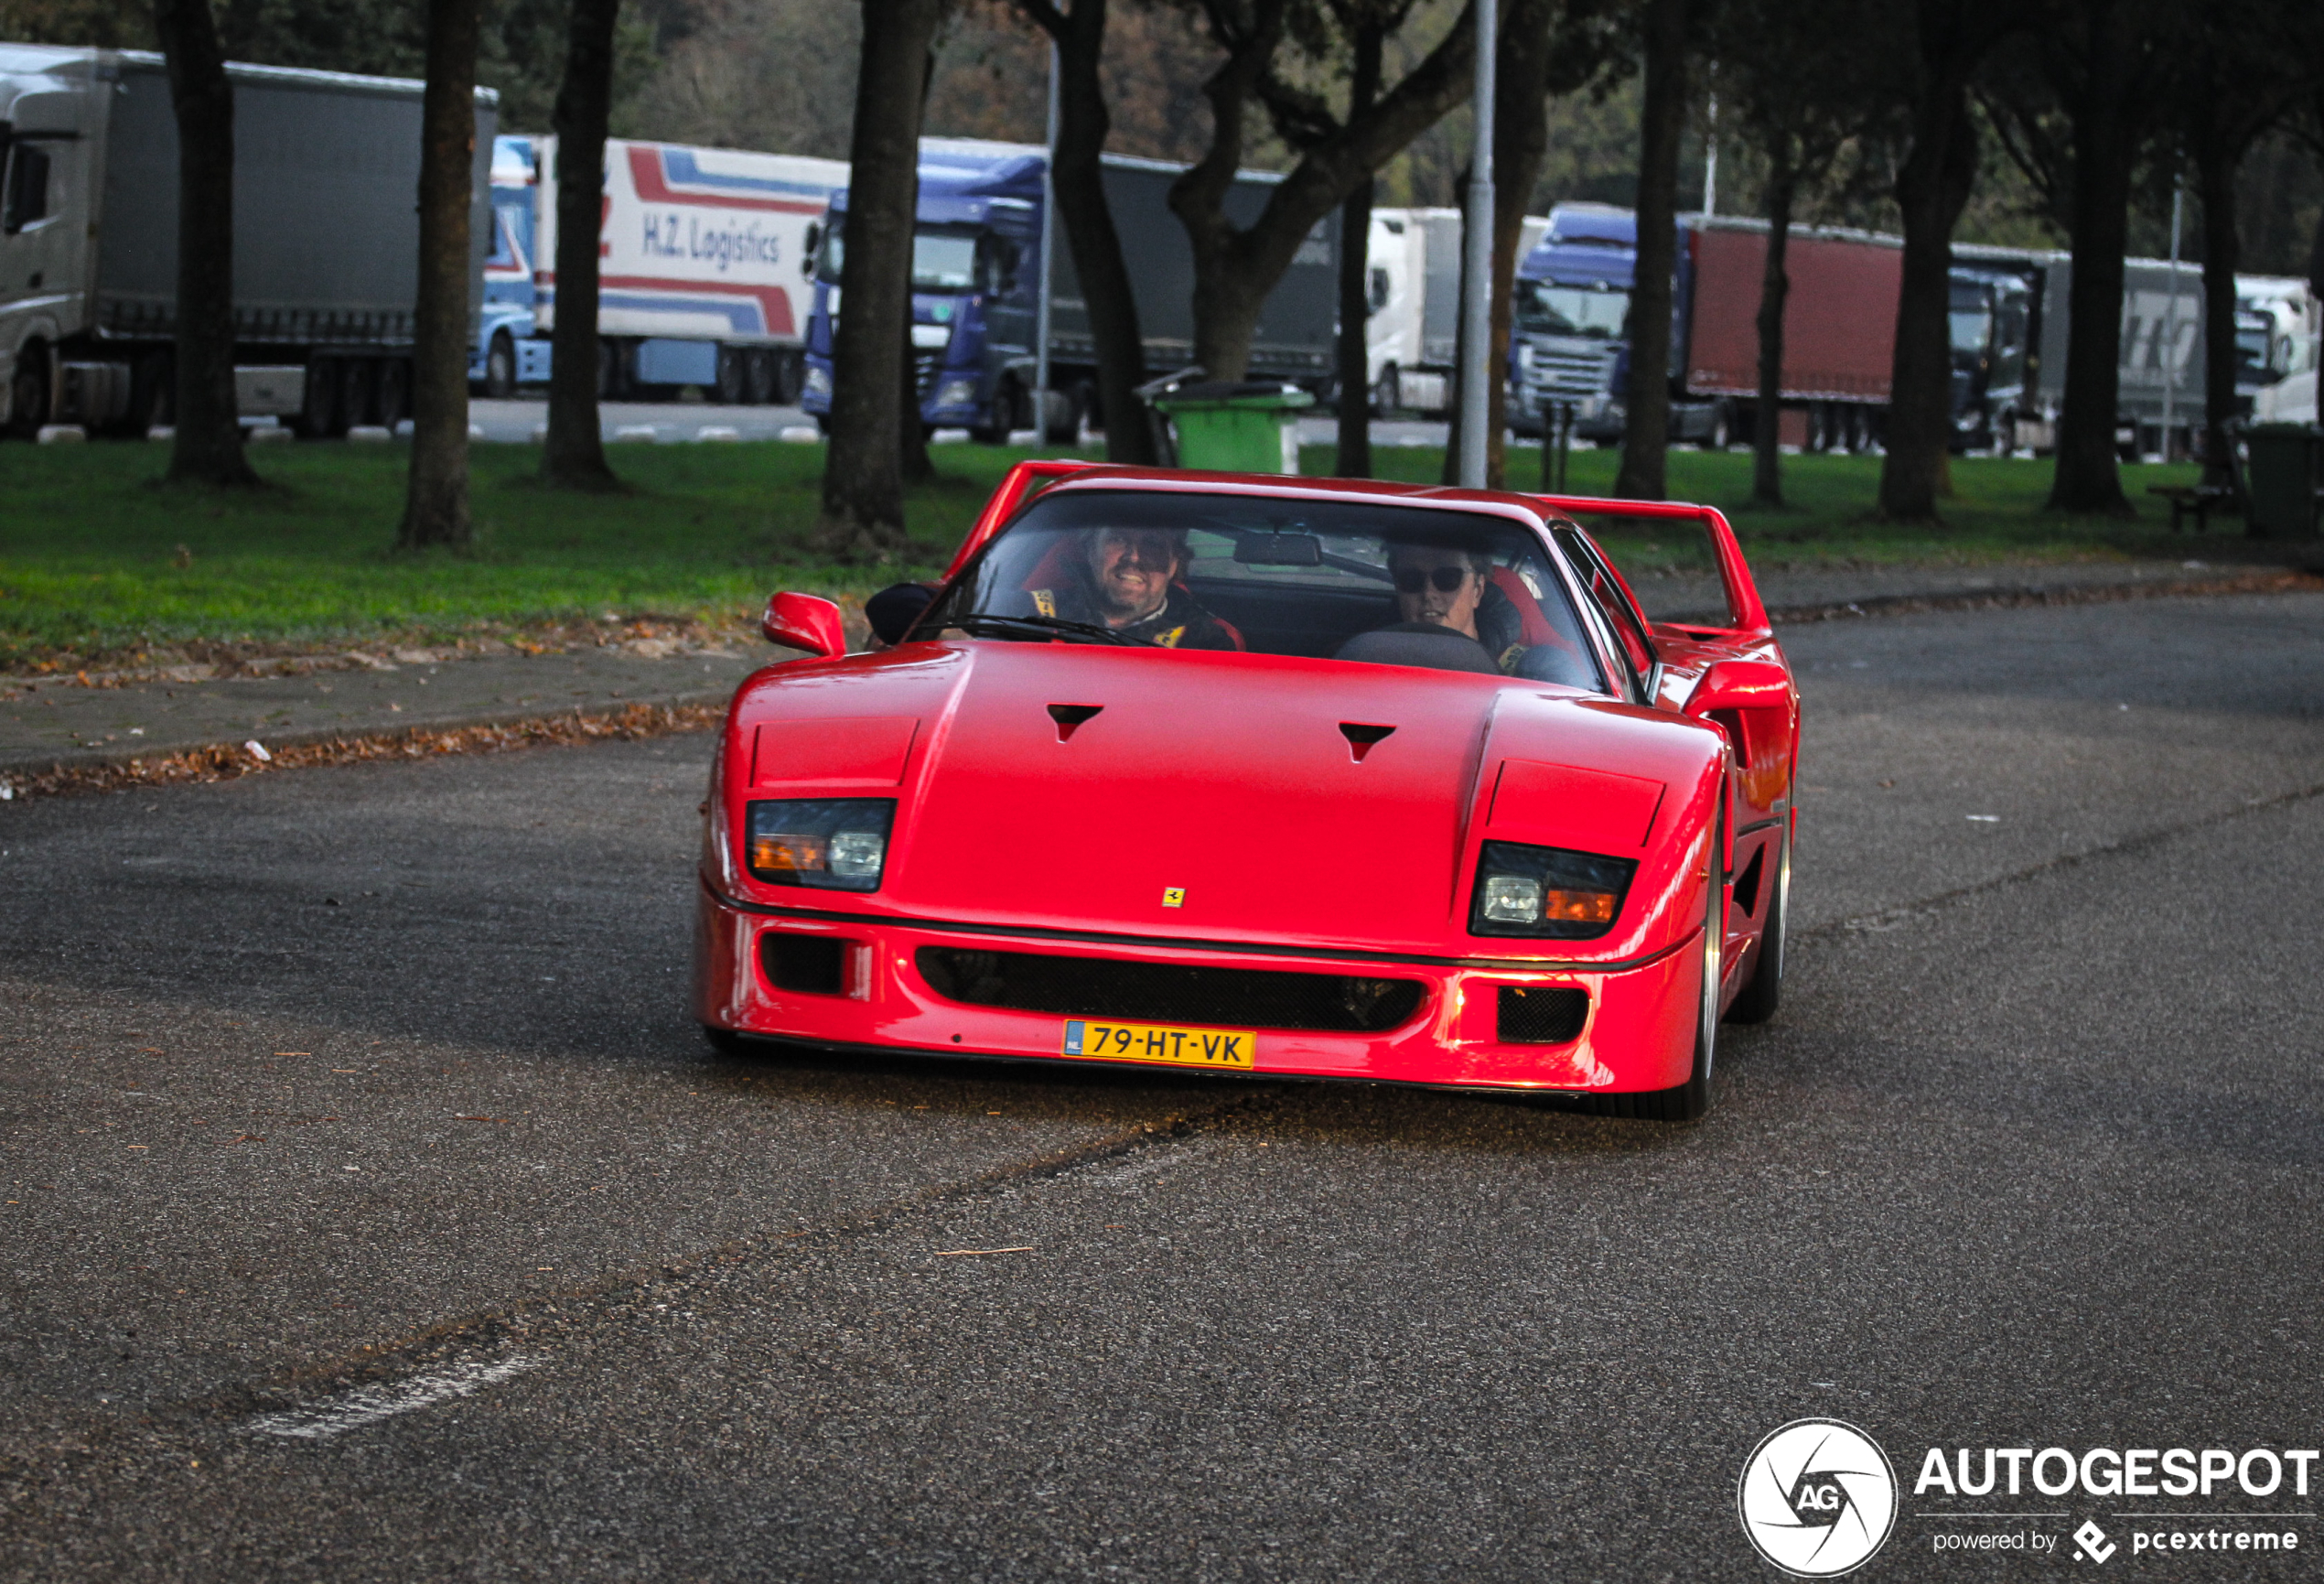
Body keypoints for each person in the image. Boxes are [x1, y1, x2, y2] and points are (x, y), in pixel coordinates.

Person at [1022, 525, 1239, 649]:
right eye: (1117, 539)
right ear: (1090, 552)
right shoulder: (1023, 612)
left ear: (1175, 565)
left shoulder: (1204, 641)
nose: (1134, 557)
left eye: (1152, 544)